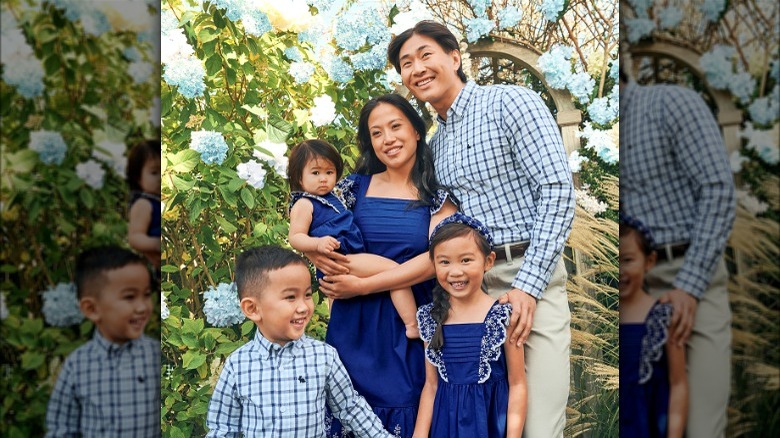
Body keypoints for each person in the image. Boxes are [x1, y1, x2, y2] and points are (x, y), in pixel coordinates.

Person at [378, 20, 574, 437]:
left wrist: (527, 287)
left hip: (531, 280)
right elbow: (442, 224)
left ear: (454, 57)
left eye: (425, 55)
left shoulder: (510, 102)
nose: (416, 69)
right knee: (485, 423)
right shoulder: (434, 144)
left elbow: (557, 190)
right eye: (406, 64)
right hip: (471, 293)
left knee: (539, 427)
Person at [309, 94, 457, 437]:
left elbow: (437, 260)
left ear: (417, 131)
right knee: (349, 409)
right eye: (376, 133)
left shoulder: (436, 194)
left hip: (409, 327)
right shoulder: (348, 190)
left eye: (395, 127)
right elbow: (324, 248)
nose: (387, 139)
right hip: (353, 327)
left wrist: (362, 283)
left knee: (406, 404)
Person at [619, 63, 736, 437]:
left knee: (701, 426)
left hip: (691, 278)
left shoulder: (671, 103)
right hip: (631, 285)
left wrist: (688, 286)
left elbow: (718, 189)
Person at [205, 245, 394, 438]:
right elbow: (223, 429)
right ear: (252, 309)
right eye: (290, 297)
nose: (303, 307)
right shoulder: (238, 365)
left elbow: (350, 408)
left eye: (307, 294)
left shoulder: (324, 357)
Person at [288, 139, 420, 338]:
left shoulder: (335, 195)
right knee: (396, 273)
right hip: (341, 258)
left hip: (349, 255)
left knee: (343, 306)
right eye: (315, 173)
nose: (323, 179)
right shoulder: (305, 204)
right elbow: (295, 237)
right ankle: (412, 324)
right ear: (299, 177)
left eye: (329, 172)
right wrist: (317, 244)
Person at [414, 213, 527, 438]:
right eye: (444, 262)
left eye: (466, 260)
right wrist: (419, 434)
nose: (456, 271)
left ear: (488, 261)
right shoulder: (431, 317)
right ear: (433, 264)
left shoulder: (502, 317)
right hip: (445, 428)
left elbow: (517, 385)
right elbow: (431, 385)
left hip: (489, 427)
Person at [46, 246, 160, 437]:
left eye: (147, 295)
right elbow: (62, 429)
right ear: (91, 309)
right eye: (129, 297)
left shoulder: (156, 356)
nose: (142, 307)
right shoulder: (77, 365)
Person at [619, 213, 687, 438]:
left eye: (627, 260)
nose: (620, 270)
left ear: (649, 261)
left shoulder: (662, 316)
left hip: (648, 426)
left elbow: (677, 383)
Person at [126, 139, 161, 271]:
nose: (160, 178)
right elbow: (135, 237)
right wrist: (156, 244)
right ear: (138, 177)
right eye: (154, 172)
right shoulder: (144, 204)